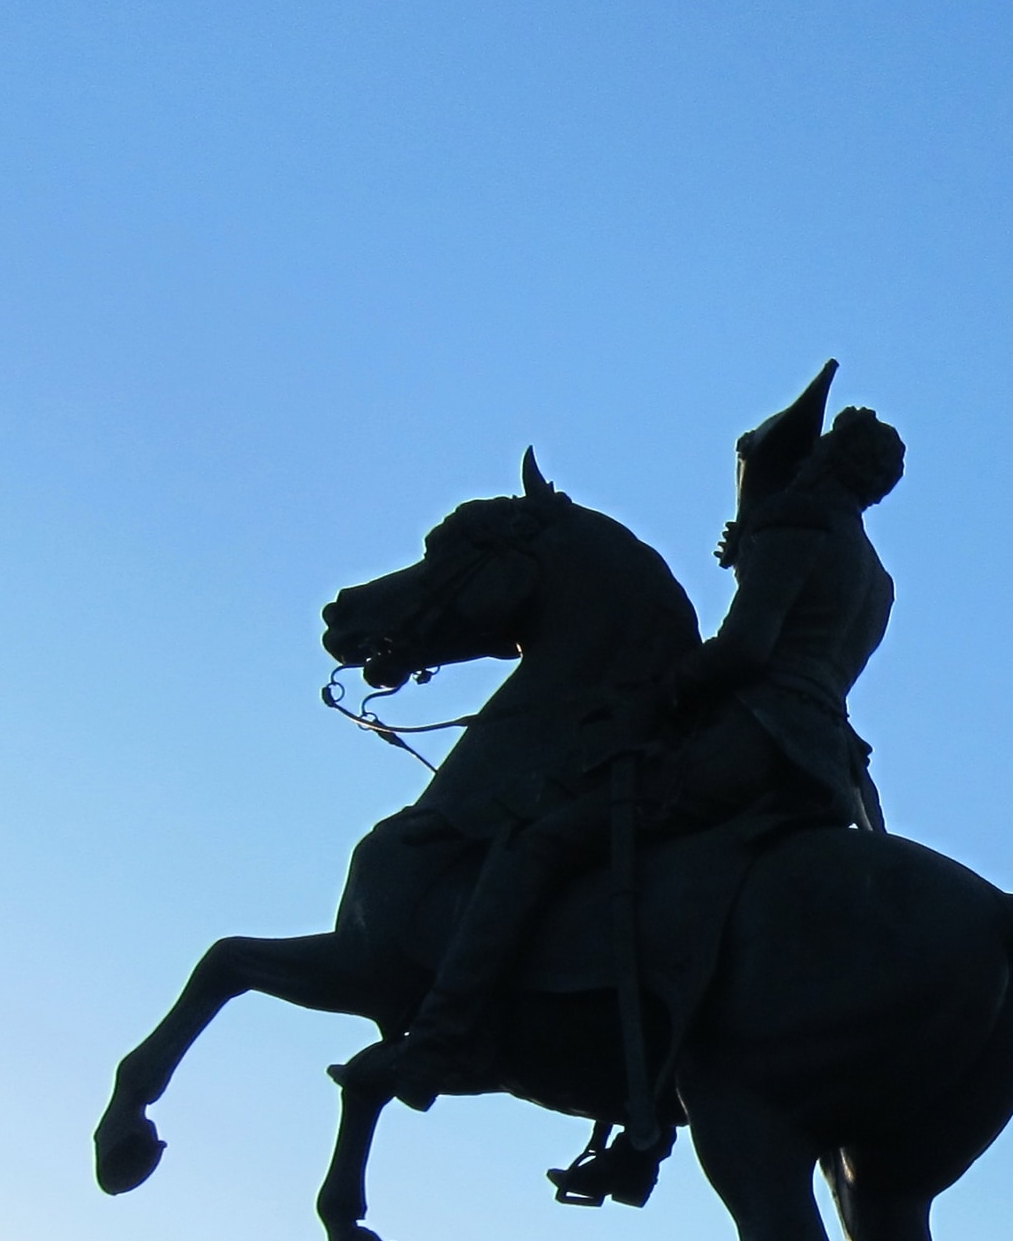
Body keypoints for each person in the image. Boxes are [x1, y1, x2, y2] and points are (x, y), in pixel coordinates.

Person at [369, 375, 902, 1104]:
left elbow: (746, 651)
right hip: (831, 764)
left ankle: (441, 1034)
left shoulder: (797, 525)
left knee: (542, 842)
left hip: (752, 735)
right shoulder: (874, 572)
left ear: (828, 460)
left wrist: (664, 689)